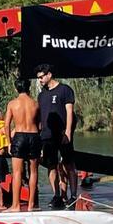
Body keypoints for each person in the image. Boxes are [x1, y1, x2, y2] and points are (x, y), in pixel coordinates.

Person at [35, 64, 77, 208]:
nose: (40, 80)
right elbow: (40, 117)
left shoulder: (65, 90)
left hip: (62, 134)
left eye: (41, 77)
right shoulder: (41, 95)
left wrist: (68, 132)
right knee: (51, 166)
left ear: (49, 75)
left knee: (69, 164)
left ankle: (73, 196)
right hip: (47, 136)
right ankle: (57, 195)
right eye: (38, 78)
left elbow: (69, 112)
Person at [4, 78, 42, 212]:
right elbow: (40, 125)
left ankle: (16, 205)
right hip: (34, 136)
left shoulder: (12, 104)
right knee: (34, 172)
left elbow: (6, 124)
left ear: (16, 89)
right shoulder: (35, 104)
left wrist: (9, 142)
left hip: (19, 137)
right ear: (29, 88)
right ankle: (31, 205)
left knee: (17, 173)